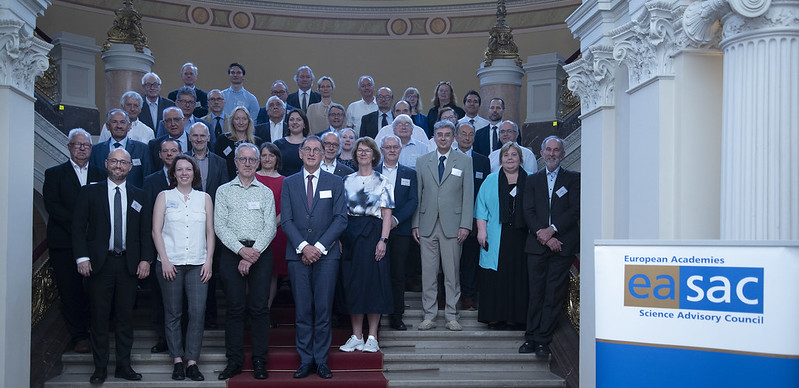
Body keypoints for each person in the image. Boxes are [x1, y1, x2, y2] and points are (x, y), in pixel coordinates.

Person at [72, 148, 153, 384]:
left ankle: (123, 366)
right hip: (100, 265)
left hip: (128, 265)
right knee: (99, 318)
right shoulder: (90, 193)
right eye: (114, 161)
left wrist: (146, 259)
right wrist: (82, 258)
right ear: (107, 163)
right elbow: (77, 229)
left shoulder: (140, 195)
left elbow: (145, 232)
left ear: (130, 167)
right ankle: (100, 368)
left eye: (123, 162)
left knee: (126, 318)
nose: (118, 166)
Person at [281, 136, 348, 379]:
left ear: (323, 154)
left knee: (322, 309)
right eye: (307, 149)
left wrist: (318, 247)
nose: (311, 153)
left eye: (316, 150)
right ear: (300, 154)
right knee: (302, 311)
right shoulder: (289, 183)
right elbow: (286, 220)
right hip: (297, 256)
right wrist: (303, 247)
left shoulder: (336, 181)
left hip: (327, 256)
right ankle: (305, 360)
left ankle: (321, 360)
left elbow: (341, 218)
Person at [215, 143, 277, 380]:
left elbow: (270, 226)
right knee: (234, 308)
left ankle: (260, 360)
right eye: (243, 159)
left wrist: (253, 254)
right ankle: (234, 361)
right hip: (232, 253)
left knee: (260, 309)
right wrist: (242, 251)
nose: (248, 163)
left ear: (258, 163)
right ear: (236, 162)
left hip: (260, 253)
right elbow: (219, 226)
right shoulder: (223, 191)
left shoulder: (265, 192)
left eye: (252, 160)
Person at [151, 155, 214, 381]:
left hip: (198, 264)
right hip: (170, 264)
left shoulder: (204, 198)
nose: (184, 173)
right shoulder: (164, 197)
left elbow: (210, 232)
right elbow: (156, 231)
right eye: (180, 169)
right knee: (173, 313)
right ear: (174, 173)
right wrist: (164, 260)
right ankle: (177, 360)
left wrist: (209, 261)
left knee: (197, 314)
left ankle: (192, 362)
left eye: (188, 169)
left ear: (194, 173)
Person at [43, 128, 106, 354]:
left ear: (92, 149)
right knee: (70, 291)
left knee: (96, 290)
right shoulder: (54, 174)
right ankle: (79, 336)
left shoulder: (101, 175)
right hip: (65, 244)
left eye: (86, 145)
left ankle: (97, 331)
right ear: (69, 147)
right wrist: (81, 225)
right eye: (77, 144)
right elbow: (53, 206)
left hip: (95, 244)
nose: (82, 148)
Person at [518, 136, 580, 357]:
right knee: (535, 293)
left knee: (553, 294)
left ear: (562, 154)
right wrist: (544, 236)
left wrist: (552, 230)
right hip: (537, 245)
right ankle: (531, 337)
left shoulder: (573, 179)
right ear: (542, 153)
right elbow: (528, 211)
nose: (552, 153)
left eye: (556, 150)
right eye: (548, 150)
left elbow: (574, 211)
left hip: (562, 246)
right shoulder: (532, 180)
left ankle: (543, 340)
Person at [412, 120, 474, 331]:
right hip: (427, 224)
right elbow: (418, 195)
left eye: (448, 134)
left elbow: (468, 195)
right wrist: (415, 224)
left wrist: (465, 224)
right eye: (440, 134)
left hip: (453, 225)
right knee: (428, 273)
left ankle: (452, 315)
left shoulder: (464, 161)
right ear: (434, 137)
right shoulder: (422, 161)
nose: (444, 138)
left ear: (454, 137)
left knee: (452, 272)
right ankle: (429, 315)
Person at [338, 137, 394, 353]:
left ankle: (372, 336)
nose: (363, 153)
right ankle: (356, 336)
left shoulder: (383, 181)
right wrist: (341, 239)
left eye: (367, 150)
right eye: (359, 150)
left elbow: (387, 214)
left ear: (374, 155)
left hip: (373, 234)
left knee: (373, 284)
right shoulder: (346, 181)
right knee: (354, 284)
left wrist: (383, 240)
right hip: (350, 234)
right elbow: (341, 213)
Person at [475, 142, 529, 329]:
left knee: (518, 276)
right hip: (496, 235)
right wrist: (481, 231)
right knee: (495, 276)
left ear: (520, 159)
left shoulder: (530, 179)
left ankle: (515, 317)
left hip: (522, 236)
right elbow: (480, 208)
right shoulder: (490, 180)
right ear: (501, 159)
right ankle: (495, 317)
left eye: (514, 155)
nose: (510, 158)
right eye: (506, 155)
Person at [142, 138, 182, 354]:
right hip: (160, 250)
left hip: (184, 249)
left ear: (180, 151)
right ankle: (162, 339)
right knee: (158, 297)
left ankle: (181, 338)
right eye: (165, 151)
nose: (169, 154)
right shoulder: (150, 181)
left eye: (173, 150)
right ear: (159, 155)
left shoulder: (190, 178)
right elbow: (147, 217)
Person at [187, 122, 228, 329]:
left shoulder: (220, 163)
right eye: (195, 136)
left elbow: (225, 194)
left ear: (209, 137)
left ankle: (211, 315)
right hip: (188, 224)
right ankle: (192, 317)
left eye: (203, 136)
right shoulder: (183, 161)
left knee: (210, 270)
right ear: (190, 137)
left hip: (213, 224)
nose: (199, 139)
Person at [375, 135, 418, 330]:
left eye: (395, 147)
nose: (391, 150)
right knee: (376, 273)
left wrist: (394, 220)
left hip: (400, 232)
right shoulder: (372, 173)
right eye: (388, 147)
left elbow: (412, 201)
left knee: (398, 274)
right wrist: (383, 221)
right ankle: (374, 312)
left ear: (400, 150)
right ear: (381, 150)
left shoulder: (410, 174)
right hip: (375, 231)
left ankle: (396, 316)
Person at [455, 122, 491, 311]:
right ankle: (448, 297)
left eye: (470, 134)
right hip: (450, 220)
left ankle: (468, 297)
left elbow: (484, 193)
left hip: (474, 220)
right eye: (463, 134)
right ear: (456, 136)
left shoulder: (482, 161)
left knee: (470, 260)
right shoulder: (448, 159)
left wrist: (479, 220)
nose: (467, 137)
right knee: (450, 262)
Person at [254, 142, 289, 325]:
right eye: (264, 155)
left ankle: (264, 312)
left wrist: (268, 228)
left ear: (277, 158)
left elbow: (285, 210)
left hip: (275, 233)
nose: (267, 159)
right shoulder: (251, 177)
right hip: (251, 232)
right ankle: (253, 311)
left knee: (272, 274)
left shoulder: (285, 181)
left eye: (271, 155)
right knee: (252, 272)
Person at [89, 109, 152, 188]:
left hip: (134, 198)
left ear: (129, 126)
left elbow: (148, 179)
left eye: (122, 122)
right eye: (114, 122)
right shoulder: (96, 151)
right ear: (108, 126)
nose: (119, 126)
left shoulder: (142, 149)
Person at [214, 106, 262, 180]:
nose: (241, 122)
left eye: (244, 119)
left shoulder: (257, 142)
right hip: (227, 182)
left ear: (249, 121)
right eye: (237, 119)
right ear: (232, 121)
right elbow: (217, 164)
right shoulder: (223, 139)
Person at [275, 109, 309, 177]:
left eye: (298, 120)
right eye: (291, 119)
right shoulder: (277, 144)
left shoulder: (311, 144)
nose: (294, 122)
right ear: (287, 124)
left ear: (304, 124)